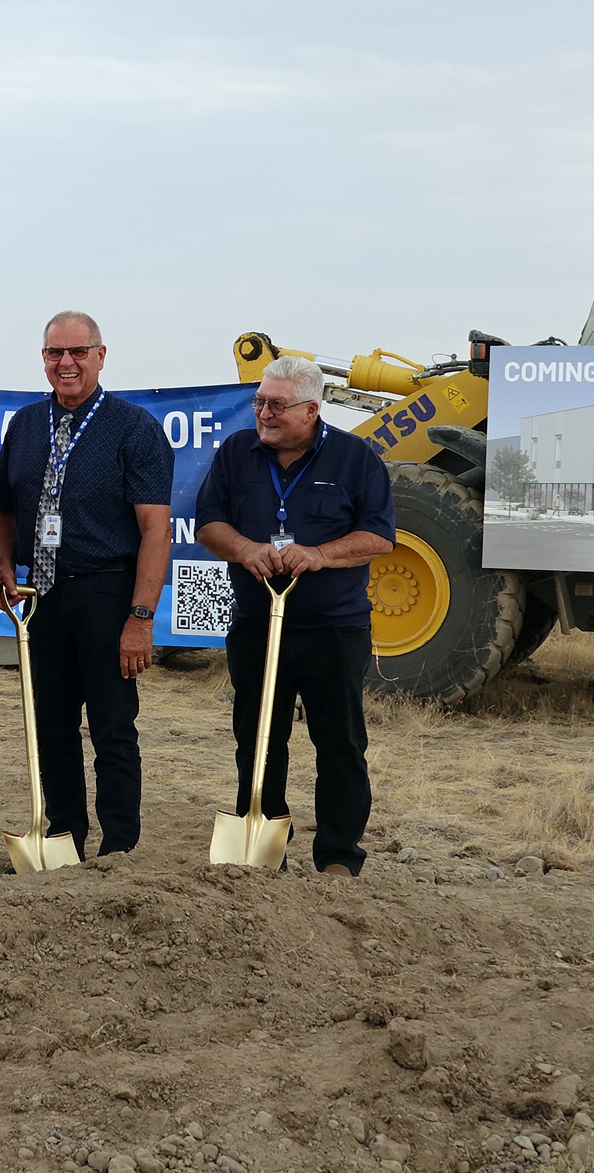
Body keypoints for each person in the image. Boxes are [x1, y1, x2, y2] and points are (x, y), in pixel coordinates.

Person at [195, 355, 394, 877]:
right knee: (257, 738)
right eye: (259, 402)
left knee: (341, 745)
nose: (263, 413)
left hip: (334, 629)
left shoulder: (357, 459)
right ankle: (263, 854)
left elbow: (379, 537)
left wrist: (320, 554)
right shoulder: (237, 453)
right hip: (257, 628)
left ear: (311, 409)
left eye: (276, 405)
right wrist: (244, 548)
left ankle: (338, 858)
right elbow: (209, 522)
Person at [0, 311, 172, 858]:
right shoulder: (25, 424)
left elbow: (155, 530)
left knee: (113, 729)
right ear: (43, 358)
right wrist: (3, 563)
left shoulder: (133, 427)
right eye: (54, 353)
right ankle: (64, 838)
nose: (65, 363)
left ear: (100, 354)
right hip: (42, 597)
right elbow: (3, 509)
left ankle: (120, 850)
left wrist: (140, 619)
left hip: (107, 594)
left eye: (77, 352)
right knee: (52, 726)